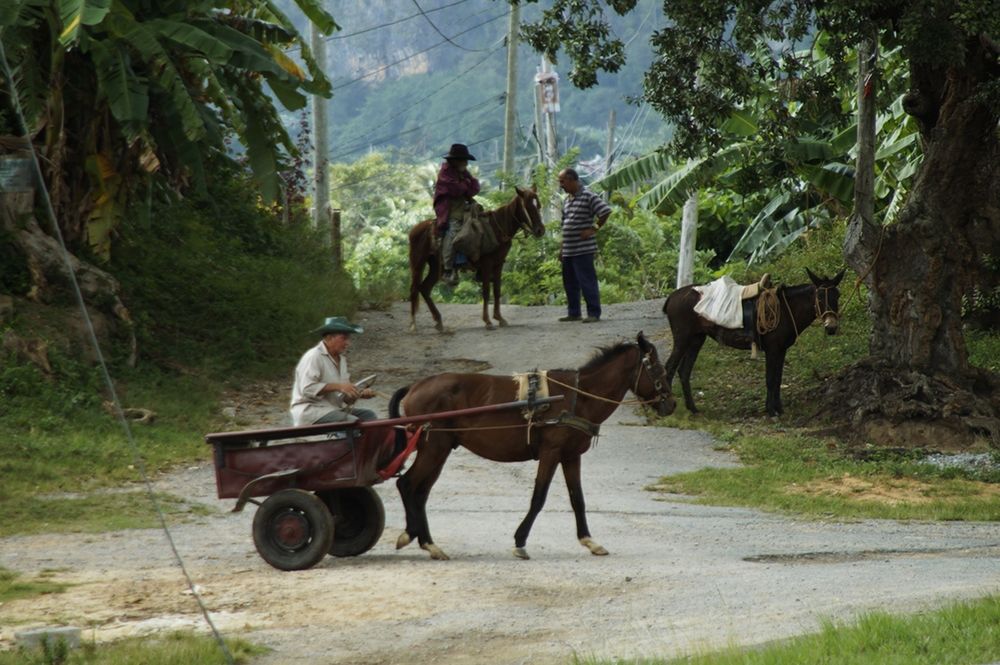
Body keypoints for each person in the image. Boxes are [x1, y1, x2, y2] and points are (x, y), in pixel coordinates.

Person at [289, 316, 377, 426]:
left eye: (348, 339)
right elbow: (307, 389)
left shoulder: (342, 360)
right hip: (311, 410)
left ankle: (368, 443)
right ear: (330, 338)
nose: (348, 343)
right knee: (352, 422)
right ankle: (350, 443)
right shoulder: (313, 356)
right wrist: (339, 386)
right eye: (344, 338)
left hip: (332, 409)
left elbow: (345, 398)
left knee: (369, 416)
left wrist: (358, 394)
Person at [557, 168, 612, 323]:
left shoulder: (588, 196)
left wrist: (593, 229)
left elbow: (605, 211)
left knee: (586, 280)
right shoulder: (567, 200)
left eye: (562, 181)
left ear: (572, 180)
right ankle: (574, 312)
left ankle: (593, 313)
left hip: (583, 249)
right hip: (569, 249)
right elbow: (564, 225)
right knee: (570, 283)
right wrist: (562, 248)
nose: (561, 185)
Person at [433, 143, 480, 286]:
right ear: (455, 160)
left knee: (479, 224)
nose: (466, 163)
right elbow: (456, 190)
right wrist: (465, 185)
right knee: (453, 230)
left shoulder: (463, 172)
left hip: (463, 206)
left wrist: (465, 184)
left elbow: (475, 187)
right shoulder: (445, 172)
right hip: (448, 208)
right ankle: (447, 268)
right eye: (463, 160)